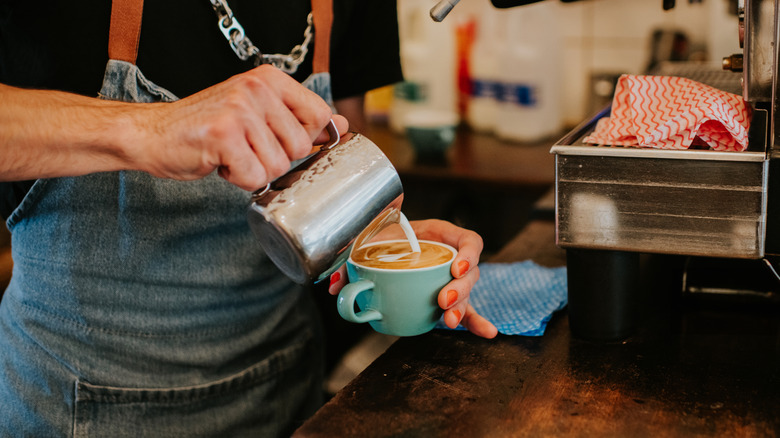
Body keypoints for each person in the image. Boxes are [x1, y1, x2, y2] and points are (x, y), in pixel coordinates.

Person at [0, 1, 497, 436]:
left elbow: (344, 150)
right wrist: (151, 126)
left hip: (289, 390)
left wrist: (378, 241)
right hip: (86, 406)